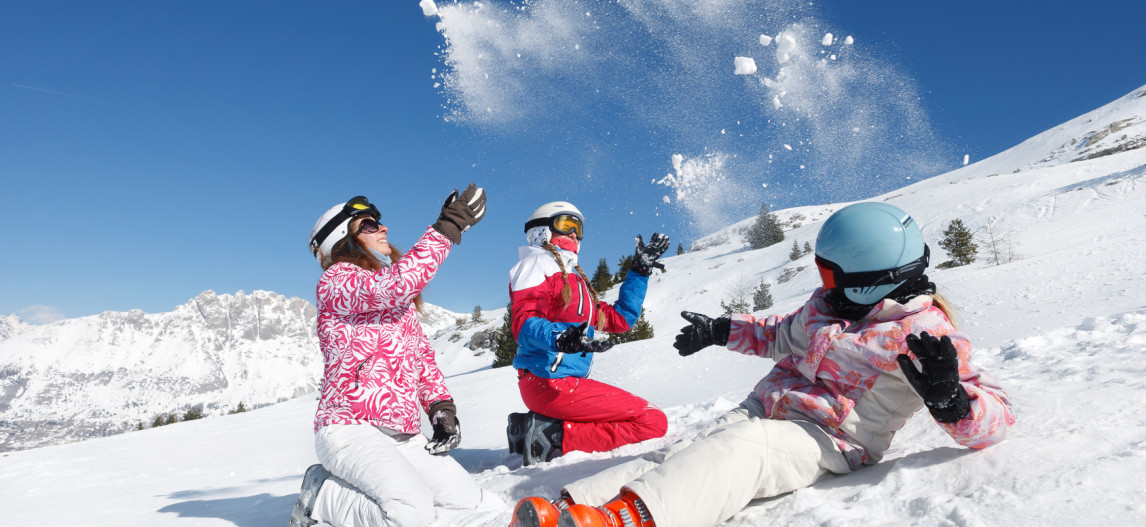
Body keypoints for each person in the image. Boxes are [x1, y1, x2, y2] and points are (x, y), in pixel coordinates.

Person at [509, 202, 1016, 527]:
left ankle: (626, 519)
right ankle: (570, 505)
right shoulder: (830, 306)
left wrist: (951, 399)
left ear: (870, 279)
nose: (823, 284)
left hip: (828, 439)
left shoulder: (922, 335)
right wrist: (721, 331)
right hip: (764, 408)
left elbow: (995, 418)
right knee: (689, 447)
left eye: (831, 274)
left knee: (738, 452)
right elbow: (779, 335)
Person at [288, 185, 490, 527]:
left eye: (379, 223)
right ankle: (322, 496)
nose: (383, 228)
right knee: (409, 514)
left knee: (472, 503)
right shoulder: (338, 282)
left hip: (402, 434)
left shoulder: (393, 299)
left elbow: (421, 358)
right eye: (368, 224)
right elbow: (397, 284)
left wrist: (440, 408)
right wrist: (445, 230)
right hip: (349, 429)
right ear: (342, 237)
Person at [505, 201, 672, 466]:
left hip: (559, 384)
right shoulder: (537, 263)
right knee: (651, 421)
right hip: (548, 382)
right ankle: (553, 436)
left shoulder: (574, 281)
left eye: (578, 227)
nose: (573, 233)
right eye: (565, 224)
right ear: (541, 231)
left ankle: (529, 426)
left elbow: (619, 319)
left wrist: (639, 271)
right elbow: (524, 322)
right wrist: (561, 336)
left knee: (641, 417)